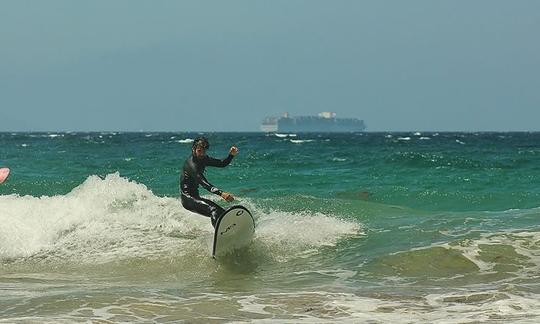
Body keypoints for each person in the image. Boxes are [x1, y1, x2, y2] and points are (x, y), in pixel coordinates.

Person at [180, 137, 238, 227]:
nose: (202, 154)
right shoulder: (191, 165)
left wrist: (231, 155)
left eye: (204, 151)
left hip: (195, 197)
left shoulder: (203, 159)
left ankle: (230, 230)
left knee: (222, 213)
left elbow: (222, 163)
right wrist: (221, 193)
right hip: (188, 199)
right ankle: (220, 235)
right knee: (214, 210)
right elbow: (203, 183)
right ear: (193, 149)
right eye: (199, 151)